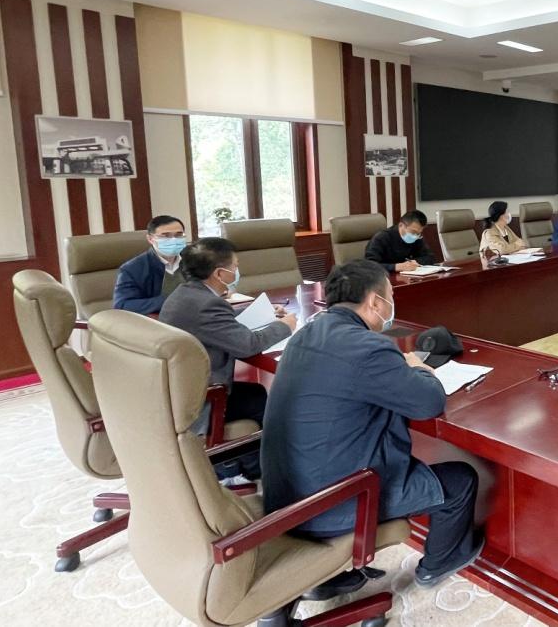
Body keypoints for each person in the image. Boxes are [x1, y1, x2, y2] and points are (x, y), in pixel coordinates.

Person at [261, 260, 484, 596]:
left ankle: (326, 574)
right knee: (460, 480)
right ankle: (437, 564)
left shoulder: (304, 334)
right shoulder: (367, 347)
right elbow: (428, 403)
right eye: (391, 296)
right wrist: (417, 367)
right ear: (375, 302)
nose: (392, 303)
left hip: (285, 496)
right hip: (331, 502)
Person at [158, 237, 295, 465]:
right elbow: (248, 345)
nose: (237, 271)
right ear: (220, 274)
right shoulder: (207, 305)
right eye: (235, 266)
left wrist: (265, 313)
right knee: (269, 402)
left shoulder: (186, 294)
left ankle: (251, 464)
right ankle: (244, 468)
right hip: (200, 400)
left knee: (256, 394)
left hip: (178, 390)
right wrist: (285, 326)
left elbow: (217, 321)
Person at [113, 215, 188, 314]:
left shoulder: (194, 259)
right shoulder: (132, 268)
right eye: (166, 235)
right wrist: (170, 300)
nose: (173, 240)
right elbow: (122, 305)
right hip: (159, 319)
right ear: (150, 239)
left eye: (179, 235)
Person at [366, 210, 437, 273]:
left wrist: (415, 262)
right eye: (413, 232)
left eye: (418, 233)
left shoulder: (416, 237)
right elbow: (369, 266)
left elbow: (430, 257)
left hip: (408, 277)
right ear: (401, 225)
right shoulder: (381, 238)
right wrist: (396, 267)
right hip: (384, 278)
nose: (415, 236)